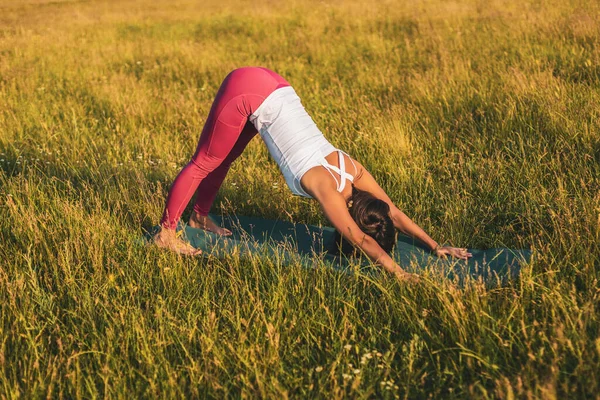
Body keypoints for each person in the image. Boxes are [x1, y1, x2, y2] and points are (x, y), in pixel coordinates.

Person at [153, 67, 472, 281]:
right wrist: (399, 273)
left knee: (222, 160)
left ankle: (198, 217)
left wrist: (435, 245)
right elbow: (361, 239)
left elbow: (394, 213)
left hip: (274, 87)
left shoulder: (353, 170)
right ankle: (165, 235)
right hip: (250, 92)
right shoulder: (326, 188)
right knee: (205, 161)